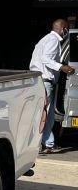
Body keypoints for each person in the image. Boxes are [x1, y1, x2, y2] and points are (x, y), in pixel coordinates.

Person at [30, 19, 75, 154]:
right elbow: (45, 59)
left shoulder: (46, 39)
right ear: (63, 29)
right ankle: (39, 145)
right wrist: (62, 67)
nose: (67, 32)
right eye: (67, 28)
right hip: (45, 81)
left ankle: (48, 143)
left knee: (48, 114)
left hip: (44, 81)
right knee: (44, 114)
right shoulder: (53, 40)